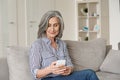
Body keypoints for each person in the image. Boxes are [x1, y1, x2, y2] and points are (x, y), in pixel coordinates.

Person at [29, 10, 99, 80]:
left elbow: (70, 64)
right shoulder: (37, 45)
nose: (52, 29)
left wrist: (69, 69)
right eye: (49, 25)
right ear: (44, 27)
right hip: (48, 78)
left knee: (90, 73)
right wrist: (50, 69)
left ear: (60, 27)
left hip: (65, 77)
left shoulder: (62, 44)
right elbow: (35, 73)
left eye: (55, 25)